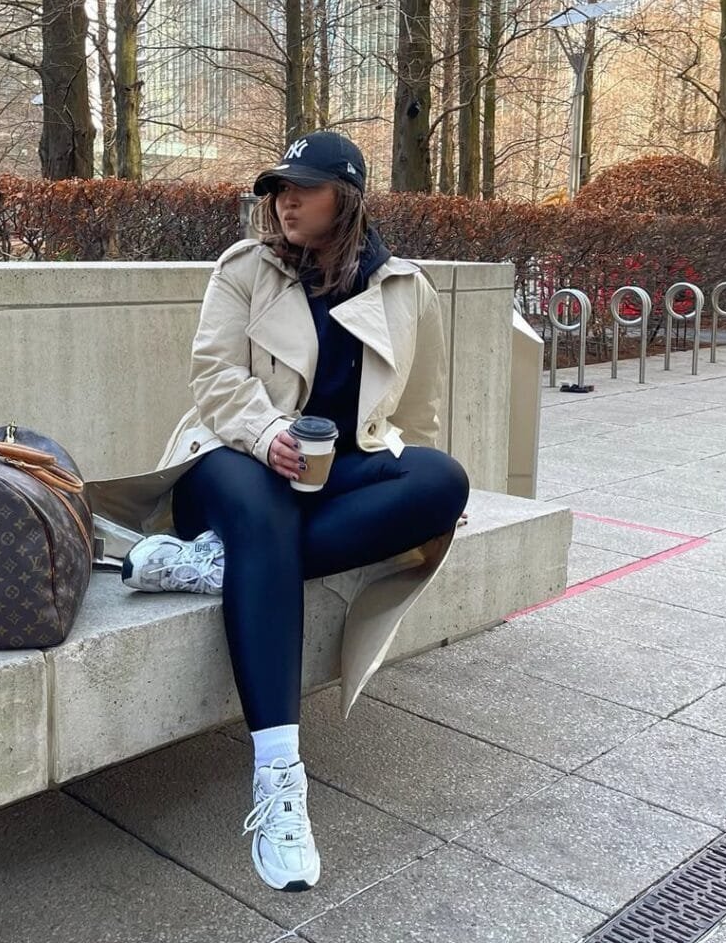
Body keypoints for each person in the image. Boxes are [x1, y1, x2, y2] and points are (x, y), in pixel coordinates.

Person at [91, 130, 469, 893]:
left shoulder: (407, 290)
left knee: (443, 481)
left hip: (334, 473)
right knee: (261, 505)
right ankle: (278, 774)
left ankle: (218, 566)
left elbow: (419, 416)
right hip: (229, 462)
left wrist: (407, 510)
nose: (284, 200)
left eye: (303, 187)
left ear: (349, 196)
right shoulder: (245, 270)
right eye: (277, 188)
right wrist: (269, 438)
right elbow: (215, 378)